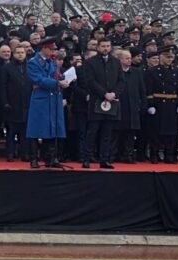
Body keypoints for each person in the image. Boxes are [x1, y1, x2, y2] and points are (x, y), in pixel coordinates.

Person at [77, 38, 123, 169]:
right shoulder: (91, 62)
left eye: (108, 46)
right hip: (97, 101)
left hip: (111, 101)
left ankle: (105, 159)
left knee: (107, 132)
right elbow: (90, 81)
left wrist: (114, 93)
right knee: (92, 131)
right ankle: (86, 158)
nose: (106, 48)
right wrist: (104, 93)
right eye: (103, 46)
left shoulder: (115, 62)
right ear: (98, 47)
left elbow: (121, 81)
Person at [26, 39, 67, 168]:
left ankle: (51, 157)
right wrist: (56, 83)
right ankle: (33, 158)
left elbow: (58, 76)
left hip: (53, 98)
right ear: (44, 48)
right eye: (51, 49)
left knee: (52, 128)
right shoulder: (33, 62)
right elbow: (38, 78)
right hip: (41, 98)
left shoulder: (52, 62)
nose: (53, 52)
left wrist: (64, 79)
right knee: (36, 128)